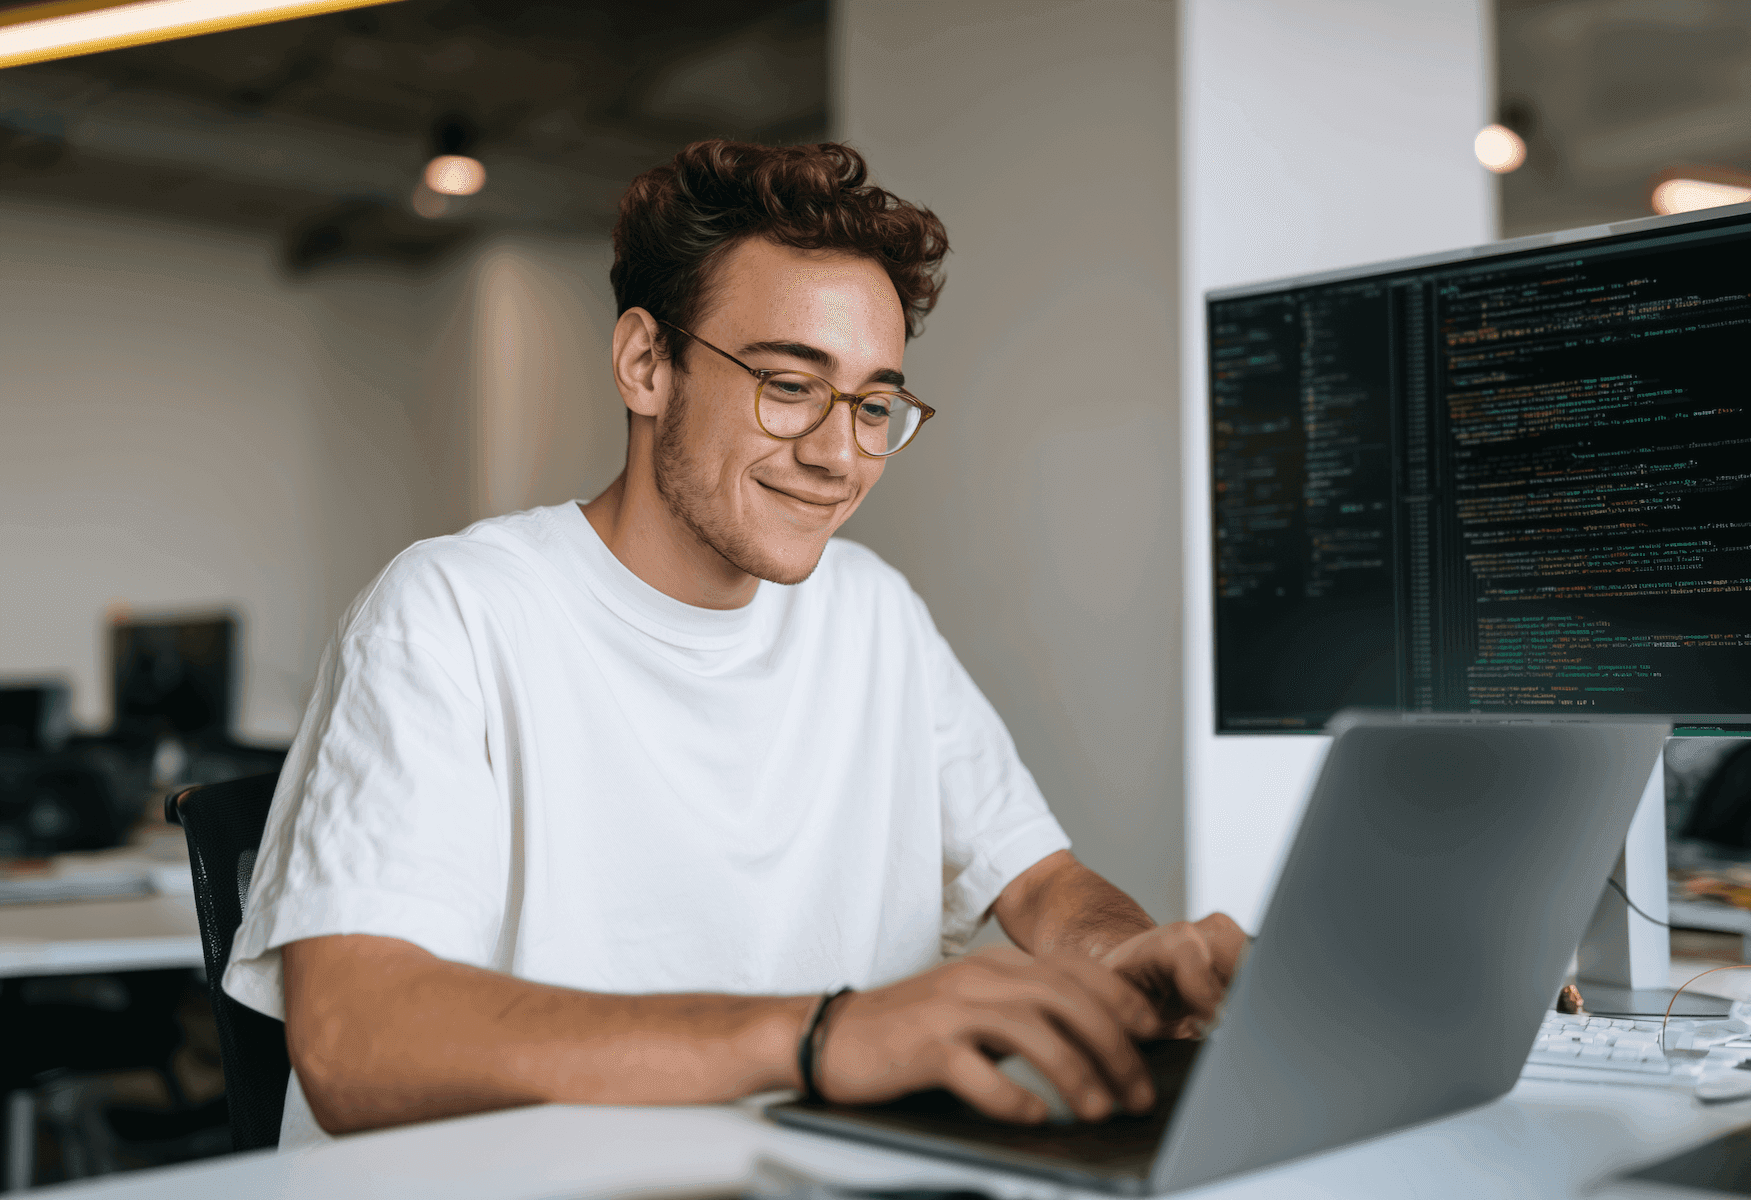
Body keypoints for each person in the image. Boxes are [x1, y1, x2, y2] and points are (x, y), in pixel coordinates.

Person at [224, 140, 1245, 1147]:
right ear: (644, 364)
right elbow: (357, 1042)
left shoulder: (871, 609)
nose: (840, 454)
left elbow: (1038, 881)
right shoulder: (451, 609)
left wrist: (1128, 956)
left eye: (875, 404)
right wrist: (819, 1037)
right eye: (790, 386)